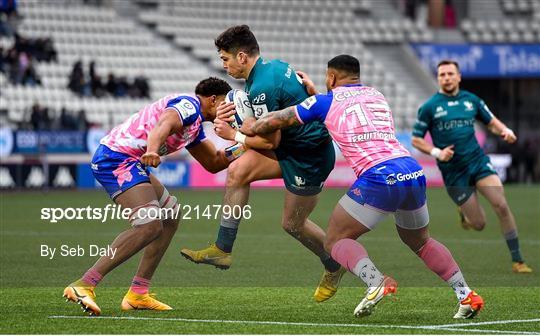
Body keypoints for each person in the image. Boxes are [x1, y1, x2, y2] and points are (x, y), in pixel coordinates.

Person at [241, 54, 484, 319]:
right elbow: (342, 107)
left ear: (331, 78)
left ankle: (375, 281)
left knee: (335, 240)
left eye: (327, 78)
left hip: (378, 175)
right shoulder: (376, 94)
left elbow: (272, 123)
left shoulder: (324, 101)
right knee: (421, 242)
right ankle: (466, 294)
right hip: (411, 170)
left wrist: (245, 123)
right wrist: (314, 94)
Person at [180, 25, 344, 302]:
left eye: (225, 58)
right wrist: (245, 125)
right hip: (292, 146)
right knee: (237, 170)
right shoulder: (270, 69)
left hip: (309, 157)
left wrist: (233, 133)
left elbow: (270, 143)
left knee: (293, 224)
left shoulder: (262, 87)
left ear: (242, 57)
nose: (224, 65)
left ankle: (334, 265)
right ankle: (223, 248)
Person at [63, 77, 237, 316]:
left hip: (130, 162)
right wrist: (153, 149)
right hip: (115, 159)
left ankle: (138, 293)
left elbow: (214, 163)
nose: (230, 111)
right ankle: (85, 284)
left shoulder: (195, 127)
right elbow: (163, 125)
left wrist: (245, 144)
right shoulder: (189, 105)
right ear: (213, 99)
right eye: (227, 105)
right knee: (148, 225)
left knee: (170, 216)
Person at [412, 60, 532, 274]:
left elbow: (491, 121)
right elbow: (416, 139)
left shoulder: (472, 100)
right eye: (442, 75)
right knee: (479, 224)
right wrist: (437, 152)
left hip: (477, 161)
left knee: (501, 205)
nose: (446, 77)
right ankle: (465, 213)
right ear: (438, 78)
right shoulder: (430, 107)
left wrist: (505, 130)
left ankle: (518, 260)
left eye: (450, 73)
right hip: (454, 172)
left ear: (458, 76)